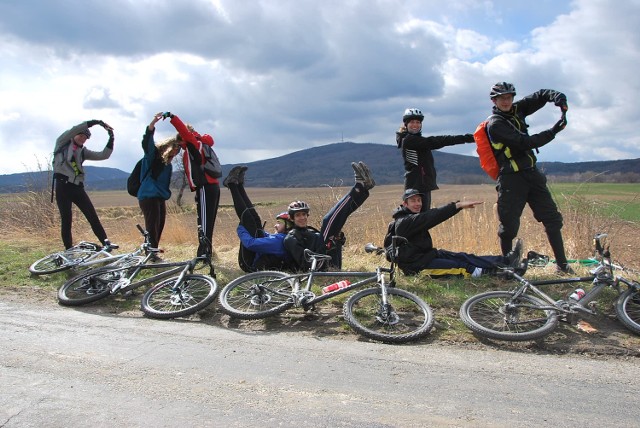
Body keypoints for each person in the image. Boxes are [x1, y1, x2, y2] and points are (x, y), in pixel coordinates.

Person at [485, 82, 572, 273]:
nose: (506, 101)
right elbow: (524, 143)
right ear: (494, 100)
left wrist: (557, 97)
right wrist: (553, 131)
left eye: (509, 97)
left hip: (532, 175)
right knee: (509, 227)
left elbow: (540, 94)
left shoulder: (518, 110)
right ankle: (508, 268)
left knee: (552, 219)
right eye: (502, 98)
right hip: (511, 179)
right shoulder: (496, 124)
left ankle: (563, 266)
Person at [390, 188, 523, 277]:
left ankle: (507, 260)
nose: (418, 204)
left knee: (463, 256)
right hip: (416, 267)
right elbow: (432, 216)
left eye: (419, 200)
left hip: (426, 256)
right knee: (462, 267)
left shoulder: (411, 217)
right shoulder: (404, 222)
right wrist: (457, 206)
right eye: (413, 201)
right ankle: (501, 273)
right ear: (405, 204)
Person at [284, 161, 375, 271]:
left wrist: (337, 241)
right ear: (292, 218)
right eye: (298, 215)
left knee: (340, 218)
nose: (302, 218)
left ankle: (363, 189)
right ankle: (359, 187)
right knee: (328, 220)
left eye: (304, 214)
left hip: (331, 264)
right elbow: (305, 264)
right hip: (318, 269)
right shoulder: (291, 238)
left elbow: (328, 245)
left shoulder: (310, 231)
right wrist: (325, 249)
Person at [162, 112, 220, 259]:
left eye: (181, 142)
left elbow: (184, 132)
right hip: (210, 187)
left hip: (206, 187)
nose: (181, 146)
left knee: (205, 222)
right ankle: (205, 252)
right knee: (205, 220)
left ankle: (205, 253)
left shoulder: (194, 144)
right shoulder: (201, 143)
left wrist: (172, 117)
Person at [52, 119, 115, 249]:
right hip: (63, 186)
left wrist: (111, 138)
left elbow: (104, 155)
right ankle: (69, 249)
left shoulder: (83, 151)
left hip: (77, 188)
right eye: (81, 135)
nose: (82, 139)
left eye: (85, 138)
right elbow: (74, 129)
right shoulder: (62, 143)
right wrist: (96, 122)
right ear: (74, 135)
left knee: (92, 216)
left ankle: (106, 243)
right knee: (66, 219)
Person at [396, 108, 474, 209]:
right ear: (406, 124)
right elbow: (436, 141)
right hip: (416, 186)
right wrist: (466, 138)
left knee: (423, 219)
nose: (415, 125)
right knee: (421, 220)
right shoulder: (409, 140)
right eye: (412, 122)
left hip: (421, 184)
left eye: (418, 122)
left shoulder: (414, 139)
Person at [223, 165, 294, 272]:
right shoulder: (283, 238)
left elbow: (251, 244)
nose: (275, 225)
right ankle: (239, 184)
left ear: (288, 226)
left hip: (249, 265)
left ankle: (232, 184)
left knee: (249, 221)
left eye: (279, 223)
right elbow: (267, 238)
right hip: (257, 259)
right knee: (255, 220)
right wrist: (260, 230)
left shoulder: (279, 240)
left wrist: (241, 230)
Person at [137, 113, 180, 252]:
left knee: (159, 224)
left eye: (176, 154)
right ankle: (151, 253)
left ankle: (152, 249)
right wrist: (152, 124)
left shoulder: (168, 165)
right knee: (152, 226)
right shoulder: (152, 156)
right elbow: (147, 142)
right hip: (148, 196)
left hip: (159, 197)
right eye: (172, 152)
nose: (173, 156)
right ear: (167, 148)